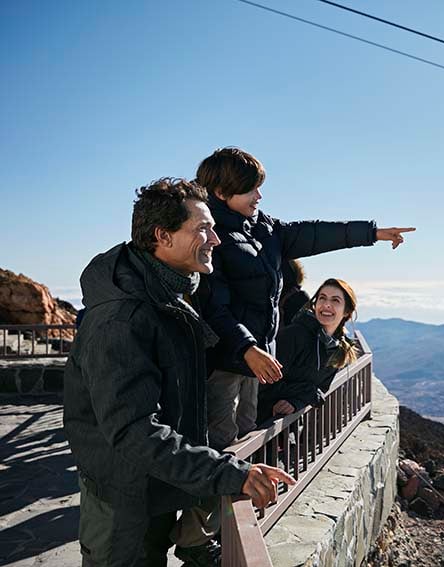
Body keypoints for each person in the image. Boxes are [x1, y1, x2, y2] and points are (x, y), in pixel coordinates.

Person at [63, 178, 294, 567]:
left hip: (152, 486)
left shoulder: (166, 294)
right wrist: (229, 473)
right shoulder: (122, 318)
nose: (215, 240)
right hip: (123, 501)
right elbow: (133, 430)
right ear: (162, 236)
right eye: (203, 229)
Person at [195, 147, 414, 451]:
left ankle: (248, 480)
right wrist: (247, 348)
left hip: (255, 358)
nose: (259, 196)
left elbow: (313, 234)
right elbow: (213, 308)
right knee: (222, 440)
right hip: (227, 360)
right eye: (251, 189)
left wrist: (372, 233)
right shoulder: (210, 239)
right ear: (221, 192)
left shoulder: (263, 227)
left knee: (247, 432)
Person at [257, 278, 359, 424]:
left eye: (335, 300)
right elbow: (264, 384)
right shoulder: (293, 336)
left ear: (347, 311)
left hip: (291, 424)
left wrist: (296, 402)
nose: (327, 304)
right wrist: (307, 392)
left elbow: (321, 388)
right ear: (315, 304)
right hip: (261, 421)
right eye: (322, 298)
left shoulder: (337, 349)